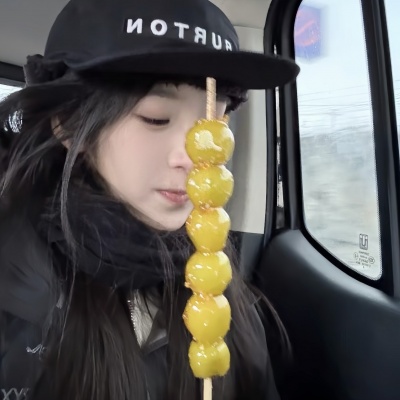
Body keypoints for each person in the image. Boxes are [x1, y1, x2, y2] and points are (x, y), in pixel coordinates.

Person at [0, 0, 299, 399]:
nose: (194, 158)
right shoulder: (14, 289)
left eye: (214, 124)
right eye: (157, 117)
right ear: (70, 126)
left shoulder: (217, 287)